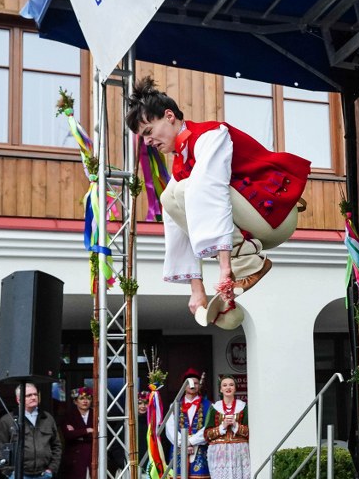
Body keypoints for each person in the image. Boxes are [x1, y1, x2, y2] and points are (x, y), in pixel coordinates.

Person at [126, 77, 311, 329]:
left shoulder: (211, 135)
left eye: (148, 132)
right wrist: (197, 289)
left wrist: (226, 269)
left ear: (169, 116)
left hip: (276, 216)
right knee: (169, 197)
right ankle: (243, 259)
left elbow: (213, 193)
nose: (147, 142)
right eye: (143, 137)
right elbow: (178, 228)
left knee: (189, 188)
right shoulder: (181, 164)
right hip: (252, 222)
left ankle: (246, 261)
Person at [0, 383, 63, 479]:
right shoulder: (7, 421)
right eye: (28, 395)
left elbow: (57, 445)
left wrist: (51, 469)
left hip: (43, 475)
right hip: (19, 476)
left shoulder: (47, 418)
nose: (33, 397)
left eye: (35, 394)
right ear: (18, 399)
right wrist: (9, 472)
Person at [166, 370, 212, 479]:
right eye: (189, 383)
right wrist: (183, 443)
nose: (192, 386)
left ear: (199, 385)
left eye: (196, 383)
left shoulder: (209, 405)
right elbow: (170, 429)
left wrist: (191, 441)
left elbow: (208, 428)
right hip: (179, 449)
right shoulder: (174, 405)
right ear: (183, 386)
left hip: (201, 449)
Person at [205, 376, 251, 479]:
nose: (228, 388)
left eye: (231, 385)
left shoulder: (243, 407)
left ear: (235, 388)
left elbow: (249, 432)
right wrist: (223, 426)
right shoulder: (214, 408)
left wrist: (236, 425)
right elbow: (207, 434)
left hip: (239, 451)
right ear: (220, 389)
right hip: (219, 452)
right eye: (224, 385)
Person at [57, 386, 96, 479]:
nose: (85, 401)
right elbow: (68, 435)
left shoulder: (96, 414)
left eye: (88, 398)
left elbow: (99, 434)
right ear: (75, 401)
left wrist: (78, 433)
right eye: (81, 398)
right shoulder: (69, 415)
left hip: (91, 458)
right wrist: (87, 430)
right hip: (74, 461)